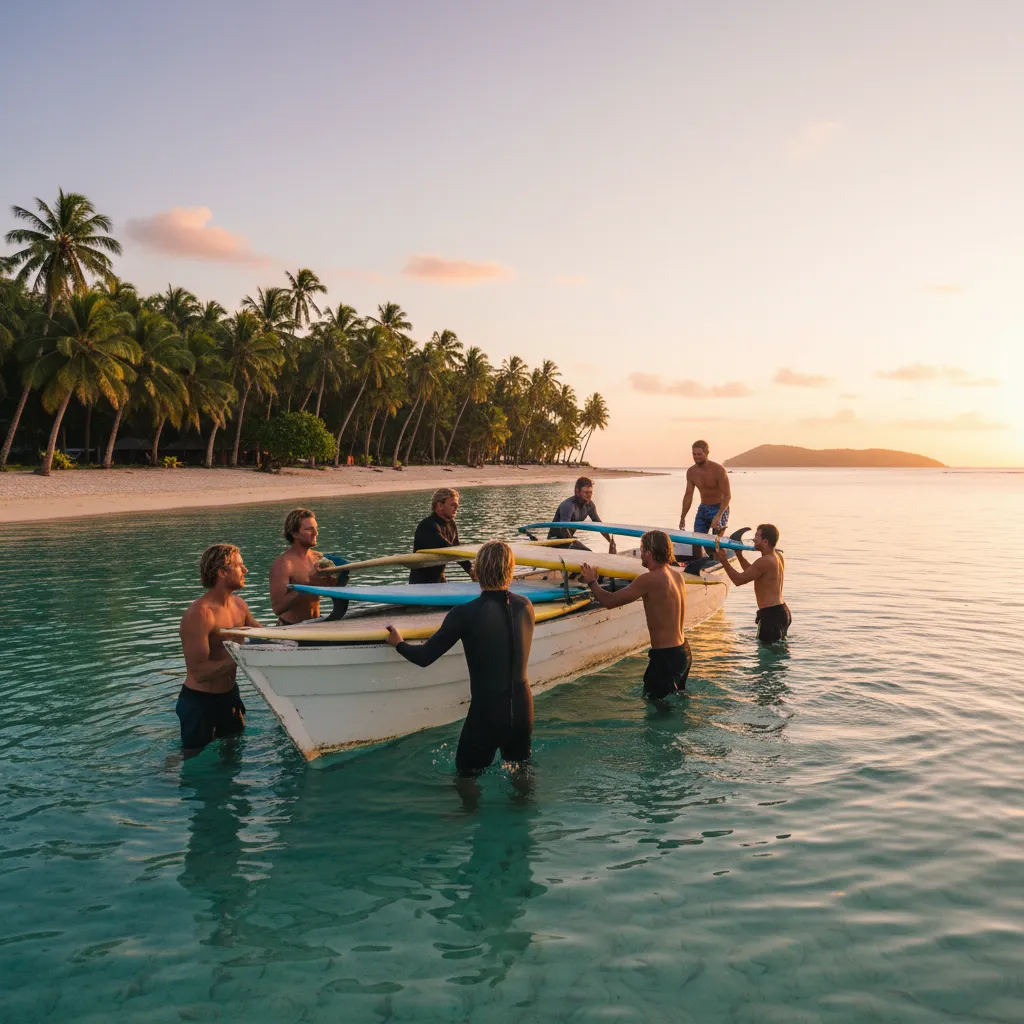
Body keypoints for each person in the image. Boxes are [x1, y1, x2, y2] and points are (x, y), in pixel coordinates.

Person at [386, 541, 536, 775]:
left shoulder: (464, 613)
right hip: (523, 709)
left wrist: (399, 644)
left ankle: (468, 812)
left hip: (486, 712)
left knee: (467, 777)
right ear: (511, 569)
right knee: (521, 774)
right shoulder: (525, 606)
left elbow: (424, 657)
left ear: (477, 571)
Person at [580, 530, 690, 699]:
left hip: (666, 657)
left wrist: (592, 581)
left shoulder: (650, 579)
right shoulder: (676, 575)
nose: (640, 554)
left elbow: (609, 601)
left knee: (656, 711)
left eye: (641, 550)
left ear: (649, 552)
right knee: (674, 704)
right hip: (683, 651)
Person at [177, 544, 260, 754]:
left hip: (230, 696)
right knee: (193, 763)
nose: (246, 570)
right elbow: (199, 672)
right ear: (222, 572)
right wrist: (241, 656)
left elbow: (264, 636)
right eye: (240, 566)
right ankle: (166, 776)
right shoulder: (200, 614)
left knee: (233, 758)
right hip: (200, 703)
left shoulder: (240, 606)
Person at [715, 523, 790, 645]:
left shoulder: (765, 561)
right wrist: (738, 554)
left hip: (771, 616)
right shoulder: (777, 556)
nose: (754, 539)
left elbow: (738, 580)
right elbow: (753, 572)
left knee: (766, 660)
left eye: (757, 536)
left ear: (765, 541)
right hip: (781, 612)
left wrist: (723, 560)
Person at [269, 507, 336, 625]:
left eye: (316, 528)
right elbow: (277, 608)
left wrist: (338, 579)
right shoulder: (283, 564)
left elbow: (332, 589)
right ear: (295, 533)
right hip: (292, 627)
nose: (316, 533)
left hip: (317, 622)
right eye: (309, 529)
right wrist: (308, 586)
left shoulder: (318, 558)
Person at [410, 487, 475, 584]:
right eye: (452, 505)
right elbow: (448, 549)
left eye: (457, 505)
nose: (456, 507)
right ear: (440, 505)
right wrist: (470, 570)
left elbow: (457, 548)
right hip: (421, 583)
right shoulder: (428, 525)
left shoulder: (451, 524)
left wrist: (471, 571)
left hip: (439, 578)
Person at [547, 476, 617, 553]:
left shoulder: (590, 506)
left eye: (591, 492)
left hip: (569, 540)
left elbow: (600, 525)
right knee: (587, 552)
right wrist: (573, 543)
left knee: (587, 552)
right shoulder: (569, 505)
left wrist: (610, 542)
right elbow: (563, 528)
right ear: (577, 492)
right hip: (554, 541)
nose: (589, 495)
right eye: (586, 492)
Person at [679, 440, 732, 537]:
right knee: (696, 540)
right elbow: (688, 495)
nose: (696, 457)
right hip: (703, 508)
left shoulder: (718, 470)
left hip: (719, 507)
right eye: (694, 454)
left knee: (717, 543)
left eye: (699, 454)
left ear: (707, 453)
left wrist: (718, 515)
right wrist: (683, 517)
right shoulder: (691, 472)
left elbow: (727, 495)